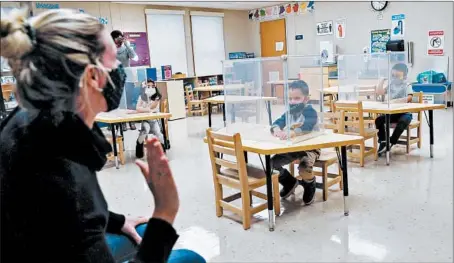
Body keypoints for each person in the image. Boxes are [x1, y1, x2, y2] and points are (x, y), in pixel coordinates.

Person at [0, 9, 203, 263]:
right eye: (114, 61)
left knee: (136, 229)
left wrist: (116, 221)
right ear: (93, 76)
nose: (120, 68)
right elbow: (72, 209)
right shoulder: (61, 175)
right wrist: (165, 210)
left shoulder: (29, 121)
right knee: (190, 258)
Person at [270, 80, 320, 205]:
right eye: (290, 98)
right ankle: (289, 182)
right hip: (293, 148)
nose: (292, 102)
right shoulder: (289, 112)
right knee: (271, 164)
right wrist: (276, 129)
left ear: (306, 99)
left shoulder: (310, 112)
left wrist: (292, 132)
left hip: (310, 148)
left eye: (297, 98)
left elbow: (308, 126)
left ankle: (310, 183)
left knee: (304, 168)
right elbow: (278, 122)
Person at [375, 63, 413, 155]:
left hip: (404, 113)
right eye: (393, 75)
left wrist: (396, 101)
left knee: (404, 121)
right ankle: (383, 142)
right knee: (379, 120)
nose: (395, 77)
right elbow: (379, 92)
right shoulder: (391, 84)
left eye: (397, 75)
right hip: (391, 113)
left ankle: (392, 141)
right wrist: (381, 81)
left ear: (404, 75)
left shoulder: (407, 85)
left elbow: (409, 98)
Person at [111, 29, 138, 131]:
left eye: (120, 37)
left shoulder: (126, 48)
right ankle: (122, 122)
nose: (119, 39)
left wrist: (127, 45)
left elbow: (134, 57)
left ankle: (131, 121)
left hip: (128, 77)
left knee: (129, 100)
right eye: (117, 37)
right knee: (120, 101)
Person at [135, 78, 165, 158]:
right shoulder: (141, 97)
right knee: (144, 131)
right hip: (146, 121)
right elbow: (137, 108)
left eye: (152, 86)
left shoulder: (157, 97)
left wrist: (144, 109)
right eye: (148, 86)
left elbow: (152, 107)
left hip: (155, 120)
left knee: (158, 133)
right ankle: (139, 149)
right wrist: (146, 110)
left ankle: (163, 149)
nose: (150, 88)